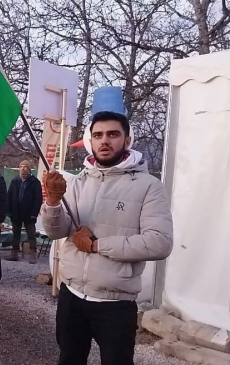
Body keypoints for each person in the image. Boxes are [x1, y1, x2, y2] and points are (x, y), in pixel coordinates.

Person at [41, 86, 173, 365]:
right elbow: (57, 231)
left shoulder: (149, 187)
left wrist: (98, 245)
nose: (105, 141)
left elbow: (160, 241)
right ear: (91, 140)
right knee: (69, 359)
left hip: (115, 305)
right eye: (98, 135)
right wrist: (52, 204)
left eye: (113, 134)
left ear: (127, 139)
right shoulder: (79, 182)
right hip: (71, 295)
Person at [6, 160, 42, 263]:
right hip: (16, 212)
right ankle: (14, 254)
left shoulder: (35, 182)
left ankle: (33, 255)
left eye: (25, 167)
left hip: (29, 213)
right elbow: (9, 196)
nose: (23, 169)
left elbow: (38, 198)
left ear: (29, 170)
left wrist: (34, 213)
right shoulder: (15, 181)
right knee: (15, 234)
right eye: (21, 166)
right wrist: (8, 211)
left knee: (31, 234)